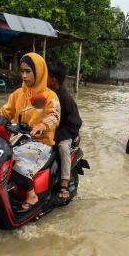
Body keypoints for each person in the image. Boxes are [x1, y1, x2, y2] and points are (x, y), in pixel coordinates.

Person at [0, 52, 60, 212]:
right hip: (20, 139)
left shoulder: (50, 96)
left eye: (28, 71)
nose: (24, 76)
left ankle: (32, 195)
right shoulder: (18, 94)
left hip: (41, 143)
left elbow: (55, 115)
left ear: (38, 72)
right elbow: (5, 112)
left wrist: (42, 125)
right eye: (22, 71)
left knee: (16, 164)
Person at [47, 62, 82, 202]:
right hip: (48, 129)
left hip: (66, 131)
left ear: (53, 80)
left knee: (63, 147)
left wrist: (56, 135)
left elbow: (75, 123)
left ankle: (64, 183)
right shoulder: (45, 93)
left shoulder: (65, 98)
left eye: (46, 76)